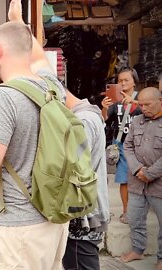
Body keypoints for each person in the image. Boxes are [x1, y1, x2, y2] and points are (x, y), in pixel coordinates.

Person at [0, 0, 69, 268]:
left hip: (19, 227)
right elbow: (36, 55)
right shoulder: (51, 86)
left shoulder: (4, 97)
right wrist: (18, 22)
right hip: (54, 218)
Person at [62, 90, 111, 270]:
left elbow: (76, 169)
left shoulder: (83, 121)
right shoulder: (86, 115)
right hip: (85, 211)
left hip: (83, 215)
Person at [121, 87, 162, 269]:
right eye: (141, 104)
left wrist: (150, 173)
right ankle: (137, 250)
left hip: (158, 185)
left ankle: (161, 258)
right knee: (135, 218)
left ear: (159, 101)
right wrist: (138, 170)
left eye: (147, 104)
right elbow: (127, 147)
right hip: (137, 183)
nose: (143, 108)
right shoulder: (137, 121)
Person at [101, 67, 143, 224]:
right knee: (124, 180)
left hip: (141, 146)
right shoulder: (115, 101)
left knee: (141, 180)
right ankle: (126, 211)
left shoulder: (142, 98)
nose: (123, 83)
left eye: (127, 80)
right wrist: (104, 108)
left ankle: (140, 211)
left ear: (134, 82)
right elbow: (104, 119)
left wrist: (135, 102)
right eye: (120, 80)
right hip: (122, 146)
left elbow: (155, 110)